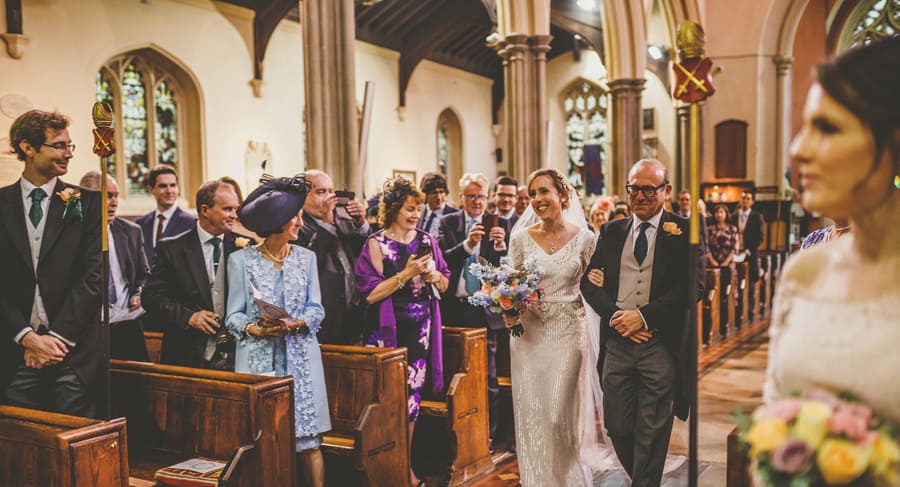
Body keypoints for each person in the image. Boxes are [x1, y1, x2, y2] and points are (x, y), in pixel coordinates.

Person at [764, 37, 900, 424]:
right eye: (805, 127)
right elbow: (773, 417)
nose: (798, 150)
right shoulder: (806, 271)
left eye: (827, 128)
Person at [581, 159, 703, 486]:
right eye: (634, 188)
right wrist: (618, 316)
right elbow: (589, 284)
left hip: (659, 345)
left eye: (649, 189)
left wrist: (644, 316)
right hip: (618, 344)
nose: (640, 195)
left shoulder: (684, 231)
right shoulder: (611, 231)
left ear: (666, 191)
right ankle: (645, 480)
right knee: (617, 427)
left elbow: (695, 285)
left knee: (652, 429)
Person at [506, 168, 614, 486]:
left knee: (557, 416)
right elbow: (509, 287)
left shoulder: (586, 239)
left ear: (562, 195)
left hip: (569, 331)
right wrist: (506, 310)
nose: (537, 200)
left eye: (544, 192)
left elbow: (599, 286)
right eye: (533, 194)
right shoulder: (520, 239)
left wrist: (598, 280)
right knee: (534, 417)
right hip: (528, 335)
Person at [225, 174, 329, 487]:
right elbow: (232, 316)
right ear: (279, 221)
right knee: (264, 444)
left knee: (309, 443)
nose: (300, 222)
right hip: (259, 362)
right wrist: (255, 329)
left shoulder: (307, 259)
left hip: (301, 360)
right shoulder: (240, 261)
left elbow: (317, 309)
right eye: (295, 217)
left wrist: (295, 323)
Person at [0, 110, 102, 417]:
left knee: (75, 438)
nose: (68, 153)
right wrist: (26, 337)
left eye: (70, 146)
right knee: (22, 441)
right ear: (28, 148)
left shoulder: (87, 202)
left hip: (74, 350)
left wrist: (55, 339)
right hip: (16, 348)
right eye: (59, 145)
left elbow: (95, 276)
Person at [354, 177, 450, 487]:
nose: (415, 215)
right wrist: (407, 274)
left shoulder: (426, 241)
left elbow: (446, 284)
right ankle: (385, 471)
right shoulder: (376, 243)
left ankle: (405, 469)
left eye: (419, 209)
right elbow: (369, 294)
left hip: (420, 333)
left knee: (411, 404)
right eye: (410, 208)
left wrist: (434, 275)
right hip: (386, 333)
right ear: (394, 208)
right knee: (387, 403)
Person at [142, 178, 251, 370]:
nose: (234, 215)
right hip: (187, 354)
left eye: (236, 209)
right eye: (227, 209)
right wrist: (188, 318)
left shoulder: (246, 247)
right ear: (205, 210)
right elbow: (151, 298)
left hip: (236, 356)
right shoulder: (172, 248)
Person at [437, 172, 509, 446]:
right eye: (471, 196)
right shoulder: (448, 222)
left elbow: (507, 268)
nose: (476, 201)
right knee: (454, 373)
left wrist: (501, 247)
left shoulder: (499, 223)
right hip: (456, 308)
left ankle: (488, 434)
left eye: (481, 196)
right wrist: (468, 245)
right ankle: (455, 434)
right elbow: (441, 258)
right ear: (461, 197)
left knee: (487, 375)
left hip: (486, 310)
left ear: (487, 198)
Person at [79, 171, 150, 361]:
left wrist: (138, 293)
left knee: (134, 386)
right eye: (108, 195)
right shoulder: (74, 235)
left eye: (116, 195)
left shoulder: (131, 231)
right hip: (90, 329)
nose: (114, 202)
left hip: (128, 325)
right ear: (88, 197)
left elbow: (144, 274)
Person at [293, 169, 369, 345]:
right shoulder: (297, 228)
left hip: (353, 317)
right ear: (303, 197)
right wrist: (326, 224)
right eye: (321, 192)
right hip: (325, 321)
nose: (329, 198)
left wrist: (361, 223)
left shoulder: (343, 220)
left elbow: (364, 253)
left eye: (331, 191)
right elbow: (310, 265)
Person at [135, 164, 197, 264]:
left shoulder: (191, 223)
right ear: (151, 189)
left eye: (173, 185)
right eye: (163, 186)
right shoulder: (141, 224)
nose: (169, 191)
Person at [731, 191, 765, 313]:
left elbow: (760, 237)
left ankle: (749, 310)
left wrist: (749, 250)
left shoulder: (757, 216)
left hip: (750, 253)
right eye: (743, 198)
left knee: (749, 284)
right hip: (735, 252)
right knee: (735, 281)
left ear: (752, 202)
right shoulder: (734, 216)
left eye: (748, 198)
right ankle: (737, 310)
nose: (745, 200)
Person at [418, 172, 459, 237]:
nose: (438, 197)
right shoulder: (420, 213)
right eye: (434, 193)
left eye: (441, 192)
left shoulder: (455, 215)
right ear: (426, 194)